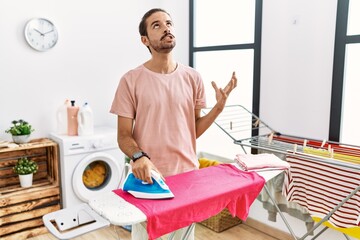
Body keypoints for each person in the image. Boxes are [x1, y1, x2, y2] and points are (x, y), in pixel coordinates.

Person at [110, 8, 237, 240]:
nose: (166, 27)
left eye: (168, 23)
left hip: (187, 177)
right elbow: (123, 135)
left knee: (183, 236)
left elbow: (192, 130)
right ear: (145, 40)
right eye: (156, 25)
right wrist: (139, 157)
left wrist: (218, 108)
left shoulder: (192, 77)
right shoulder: (130, 80)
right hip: (149, 179)